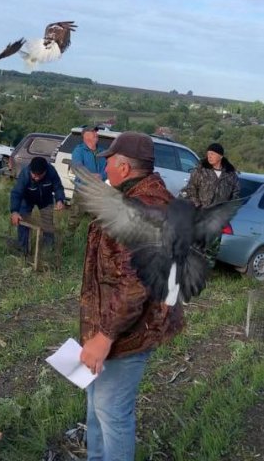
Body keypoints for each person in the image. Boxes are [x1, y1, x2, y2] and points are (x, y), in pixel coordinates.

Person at [79, 132, 183, 461]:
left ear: (124, 168)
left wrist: (105, 336)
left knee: (111, 412)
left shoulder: (142, 208)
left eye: (109, 160)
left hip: (128, 331)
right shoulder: (143, 198)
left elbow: (134, 284)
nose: (105, 165)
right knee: (97, 407)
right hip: (114, 323)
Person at [180, 141, 240, 266]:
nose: (210, 156)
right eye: (208, 153)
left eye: (212, 153)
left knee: (211, 249)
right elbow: (190, 189)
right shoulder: (201, 170)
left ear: (220, 156)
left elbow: (235, 195)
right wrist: (198, 205)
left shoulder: (230, 174)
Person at [10, 156, 65, 252]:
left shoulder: (51, 171)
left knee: (48, 224)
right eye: (34, 175)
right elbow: (17, 193)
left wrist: (60, 199)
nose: (36, 178)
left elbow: (58, 187)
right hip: (27, 199)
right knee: (23, 221)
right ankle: (23, 250)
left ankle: (48, 250)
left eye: (39, 175)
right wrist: (14, 211)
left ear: (45, 171)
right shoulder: (25, 173)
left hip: (45, 200)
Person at [67, 126, 107, 237]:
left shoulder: (103, 152)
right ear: (86, 136)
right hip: (82, 191)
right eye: (93, 132)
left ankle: (95, 247)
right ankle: (67, 245)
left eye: (96, 132)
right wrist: (91, 176)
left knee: (98, 223)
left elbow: (108, 170)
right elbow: (78, 168)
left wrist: (102, 176)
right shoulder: (79, 151)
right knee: (73, 221)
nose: (96, 134)